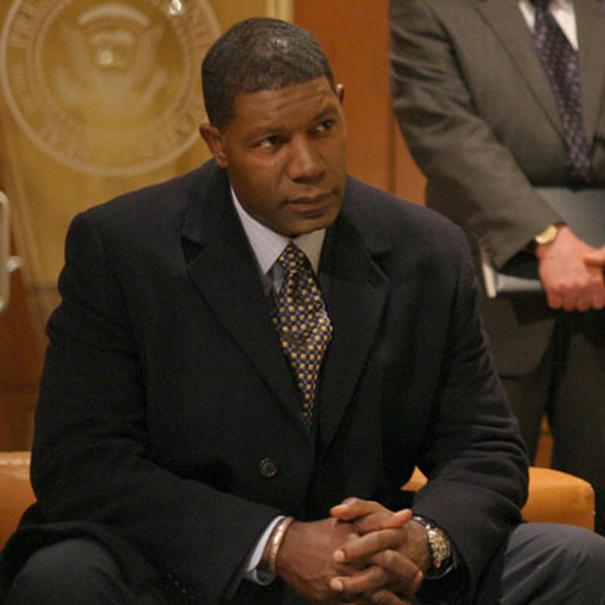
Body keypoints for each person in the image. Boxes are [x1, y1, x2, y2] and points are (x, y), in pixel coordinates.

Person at [1, 16, 605, 605]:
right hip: (193, 563)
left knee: (578, 562)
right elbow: (81, 461)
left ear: (341, 103)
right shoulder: (122, 248)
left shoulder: (426, 249)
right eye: (272, 142)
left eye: (323, 127)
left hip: (371, 564)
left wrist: (421, 541)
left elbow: (484, 448)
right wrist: (274, 544)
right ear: (217, 144)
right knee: (64, 578)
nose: (309, 165)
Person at [389, 0, 605, 535]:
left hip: (601, 288)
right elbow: (443, 128)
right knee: (485, 504)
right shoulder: (433, 8)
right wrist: (546, 235)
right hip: (486, 298)